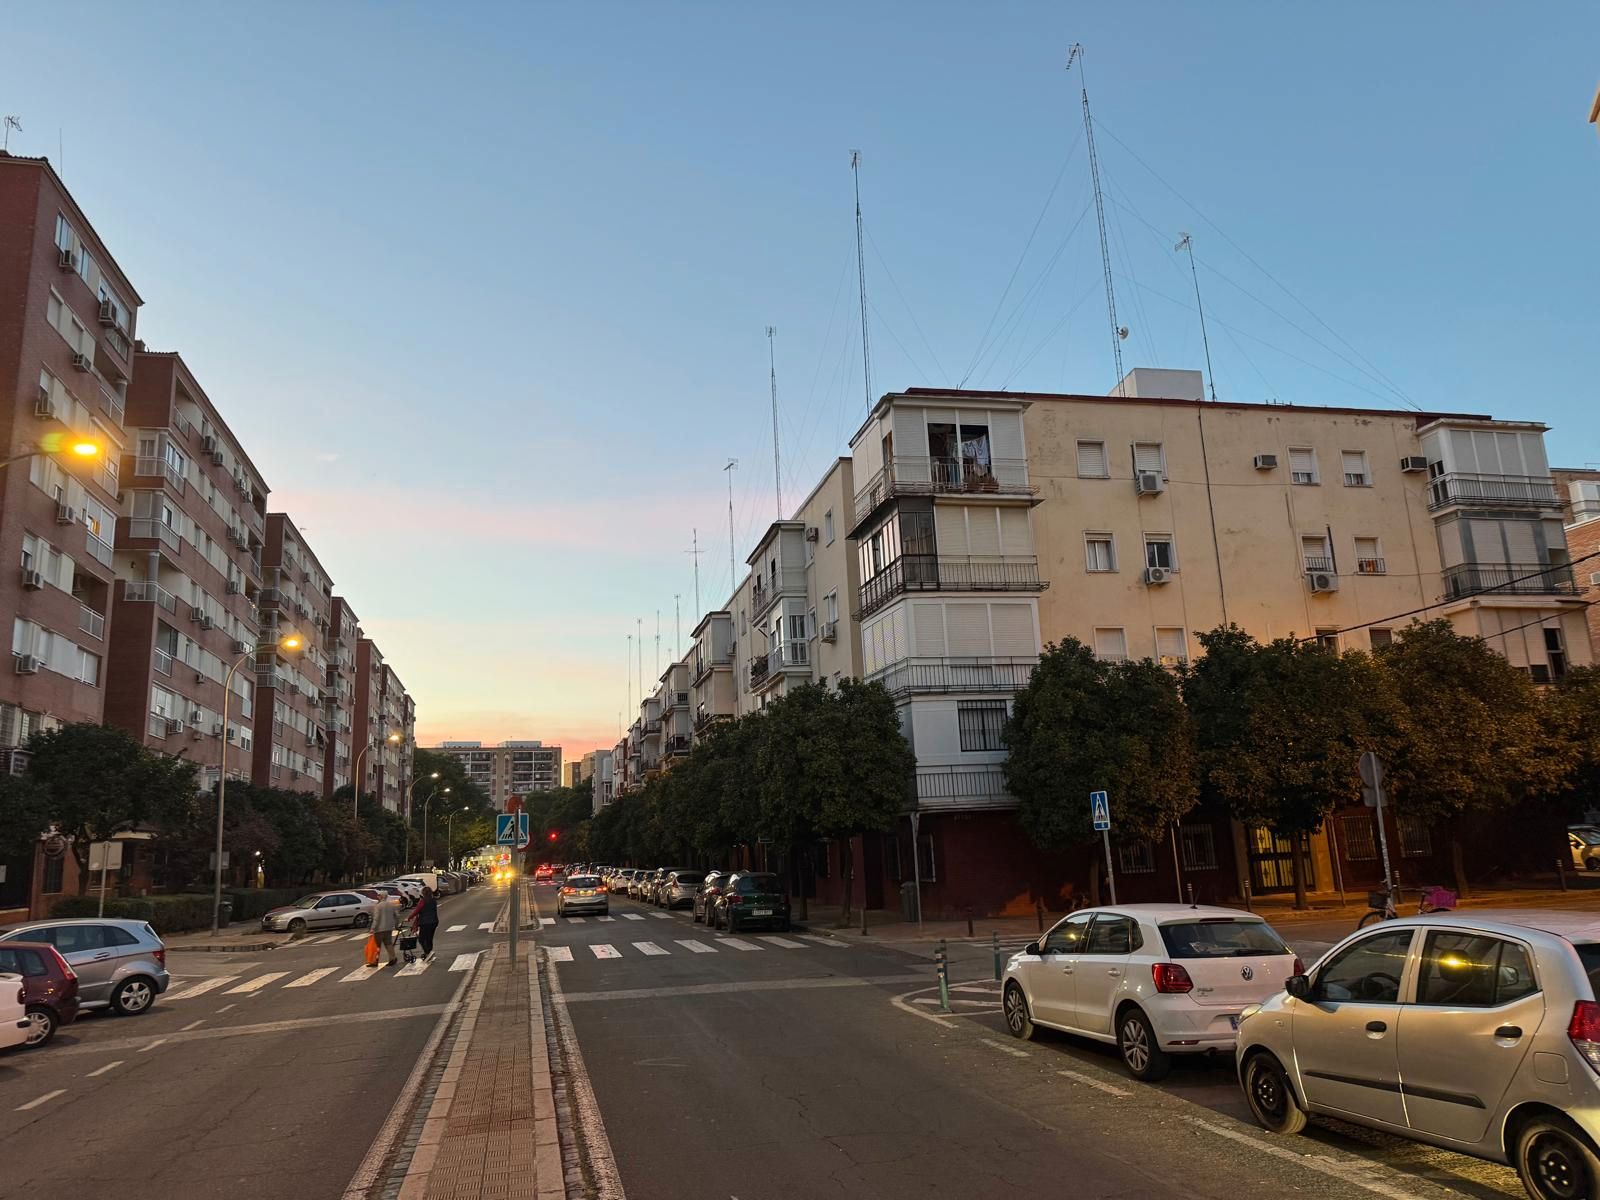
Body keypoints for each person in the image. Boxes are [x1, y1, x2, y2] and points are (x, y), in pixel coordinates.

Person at [409, 886, 439, 961]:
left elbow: (417, 910)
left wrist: (409, 917)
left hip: (425, 922)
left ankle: (427, 952)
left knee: (422, 938)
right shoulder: (433, 900)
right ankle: (429, 952)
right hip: (434, 921)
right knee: (429, 937)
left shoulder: (423, 901)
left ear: (423, 893)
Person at [371, 893, 401, 965]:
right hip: (389, 928)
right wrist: (396, 925)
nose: (377, 897)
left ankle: (375, 960)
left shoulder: (378, 906)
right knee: (388, 944)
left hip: (379, 929)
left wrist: (373, 928)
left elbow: (376, 918)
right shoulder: (391, 905)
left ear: (381, 897)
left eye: (378, 895)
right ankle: (392, 958)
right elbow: (397, 916)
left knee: (377, 946)